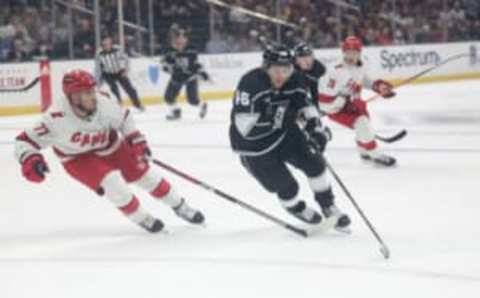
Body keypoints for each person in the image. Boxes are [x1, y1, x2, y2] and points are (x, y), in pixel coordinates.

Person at [14, 69, 204, 233]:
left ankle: (181, 206)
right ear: (73, 96)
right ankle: (141, 217)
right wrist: (31, 159)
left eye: (92, 91)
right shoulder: (55, 118)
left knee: (146, 176)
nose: (92, 96)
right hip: (77, 158)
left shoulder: (105, 102)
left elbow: (125, 119)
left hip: (110, 146)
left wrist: (136, 141)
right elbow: (23, 141)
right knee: (112, 182)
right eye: (86, 93)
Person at [229, 44, 351, 229]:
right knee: (287, 187)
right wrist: (283, 115)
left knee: (315, 163)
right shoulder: (250, 83)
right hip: (254, 146)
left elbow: (305, 105)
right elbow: (246, 127)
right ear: (266, 67)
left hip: (284, 132)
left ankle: (328, 205)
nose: (281, 75)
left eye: (286, 70)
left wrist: (316, 129)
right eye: (276, 70)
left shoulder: (295, 79)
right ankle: (294, 207)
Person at [318, 36, 397, 167]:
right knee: (363, 124)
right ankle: (375, 154)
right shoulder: (334, 71)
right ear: (343, 52)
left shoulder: (362, 63)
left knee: (364, 125)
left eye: (355, 52)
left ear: (360, 53)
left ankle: (364, 150)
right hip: (336, 108)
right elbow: (324, 101)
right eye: (348, 52)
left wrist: (378, 87)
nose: (352, 56)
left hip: (354, 103)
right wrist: (344, 104)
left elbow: (362, 79)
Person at [161, 24, 209, 120]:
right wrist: (168, 66)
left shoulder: (191, 50)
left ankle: (202, 105)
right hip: (177, 77)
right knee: (168, 98)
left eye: (182, 39)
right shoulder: (169, 51)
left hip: (189, 78)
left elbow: (195, 65)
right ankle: (176, 111)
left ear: (185, 40)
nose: (179, 42)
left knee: (192, 100)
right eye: (176, 40)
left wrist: (201, 72)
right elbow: (165, 65)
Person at [95, 36, 145, 111]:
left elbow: (126, 60)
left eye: (109, 43)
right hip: (107, 73)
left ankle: (138, 105)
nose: (107, 45)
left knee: (130, 89)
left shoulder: (118, 49)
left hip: (119, 71)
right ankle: (118, 105)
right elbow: (98, 67)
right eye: (105, 43)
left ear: (111, 42)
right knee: (114, 88)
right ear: (102, 44)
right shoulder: (99, 53)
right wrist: (98, 80)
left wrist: (125, 70)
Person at [293, 42, 326, 107]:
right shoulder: (290, 67)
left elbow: (317, 93)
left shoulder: (319, 69)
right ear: (296, 60)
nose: (306, 60)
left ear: (313, 56)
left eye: (308, 56)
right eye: (302, 57)